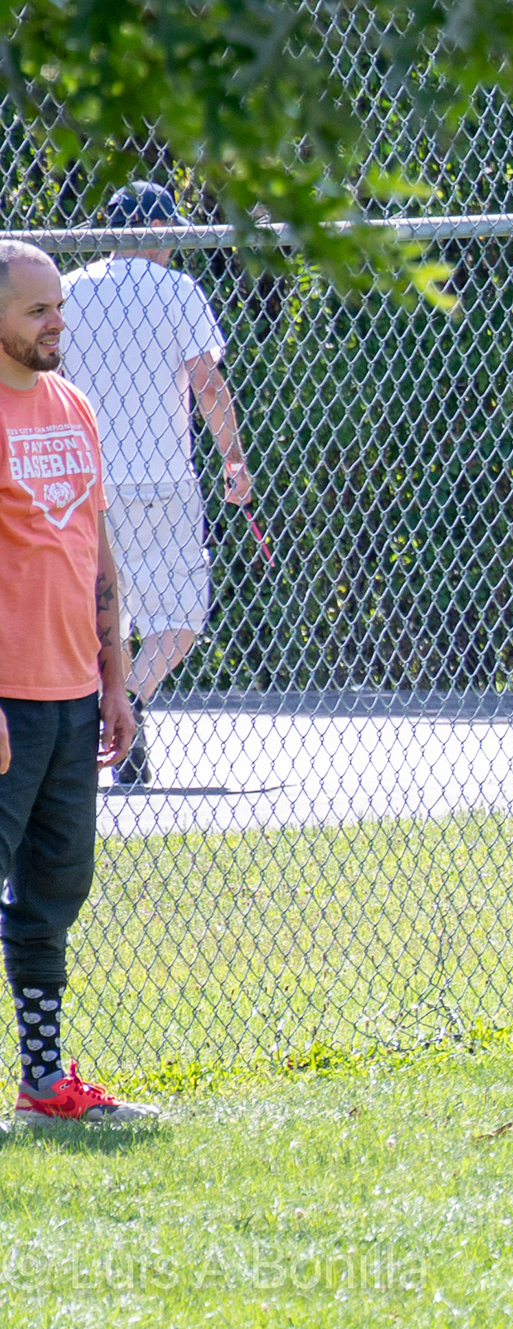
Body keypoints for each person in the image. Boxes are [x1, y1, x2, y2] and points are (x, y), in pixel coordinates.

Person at [0, 238, 156, 1122]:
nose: (58, 321)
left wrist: (115, 681)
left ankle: (43, 1082)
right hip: (6, 697)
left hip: (71, 696)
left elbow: (98, 554)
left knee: (53, 893)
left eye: (59, 305)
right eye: (38, 310)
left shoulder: (74, 406)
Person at [64, 182, 248, 786]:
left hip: (91, 479)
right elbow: (207, 384)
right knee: (184, 611)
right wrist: (234, 460)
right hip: (164, 476)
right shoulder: (177, 290)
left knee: (107, 610)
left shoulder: (69, 290)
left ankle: (118, 710)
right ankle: (135, 699)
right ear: (159, 231)